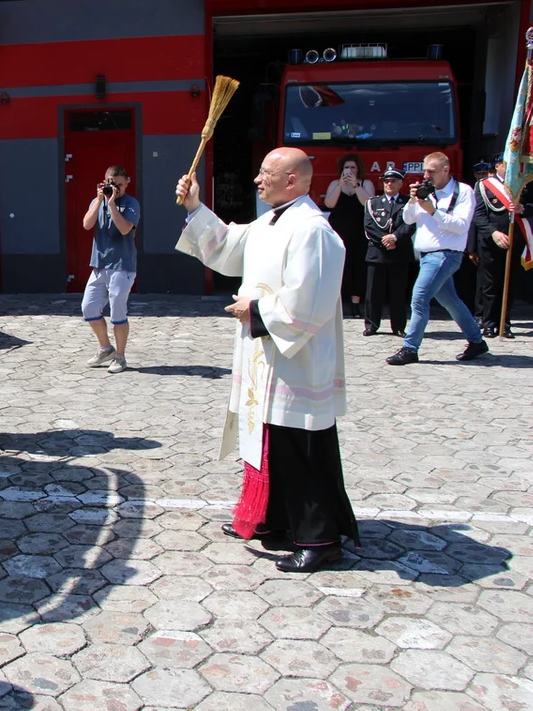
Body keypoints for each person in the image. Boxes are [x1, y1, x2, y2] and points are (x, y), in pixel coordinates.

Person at [175, 147, 358, 573]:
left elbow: (309, 302)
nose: (257, 180)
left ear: (291, 179)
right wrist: (194, 206)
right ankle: (277, 522)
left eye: (264, 173)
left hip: (297, 360)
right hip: (267, 355)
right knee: (271, 442)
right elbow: (225, 247)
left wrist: (254, 311)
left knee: (299, 448)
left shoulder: (312, 229)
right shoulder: (272, 220)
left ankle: (320, 538)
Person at [385, 152, 487, 365]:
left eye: (431, 171)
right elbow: (407, 218)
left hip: (445, 254)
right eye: (424, 170)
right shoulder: (426, 191)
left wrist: (433, 211)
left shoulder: (463, 191)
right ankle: (477, 341)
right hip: (424, 255)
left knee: (419, 298)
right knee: (451, 301)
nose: (426, 175)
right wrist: (414, 200)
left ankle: (410, 348)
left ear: (445, 170)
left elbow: (461, 226)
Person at [81, 165, 141, 373]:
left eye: (119, 184)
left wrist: (112, 203)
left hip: (122, 266)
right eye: (111, 183)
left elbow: (125, 229)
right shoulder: (96, 201)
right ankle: (105, 348)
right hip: (99, 265)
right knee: (88, 308)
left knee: (117, 313)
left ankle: (120, 357)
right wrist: (99, 201)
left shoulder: (131, 203)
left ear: (127, 183)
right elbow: (87, 224)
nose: (115, 188)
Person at [472, 154, 531, 339]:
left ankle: (504, 323)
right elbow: (479, 216)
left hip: (515, 239)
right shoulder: (484, 185)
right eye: (508, 164)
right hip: (492, 241)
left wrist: (523, 209)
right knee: (490, 284)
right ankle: (489, 323)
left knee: (509, 283)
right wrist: (493, 233)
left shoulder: (524, 185)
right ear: (498, 166)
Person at [362, 165, 413, 337]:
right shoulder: (372, 202)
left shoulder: (408, 203)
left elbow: (411, 224)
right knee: (373, 292)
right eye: (386, 181)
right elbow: (369, 226)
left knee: (398, 293)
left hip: (399, 252)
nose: (389, 184)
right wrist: (385, 240)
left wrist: (395, 238)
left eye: (393, 181)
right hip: (377, 252)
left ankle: (398, 326)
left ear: (401, 183)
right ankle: (371, 325)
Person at [324, 154, 375, 318]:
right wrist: (340, 185)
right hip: (339, 229)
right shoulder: (334, 184)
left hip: (359, 230)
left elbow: (368, 203)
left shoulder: (366, 184)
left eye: (353, 167)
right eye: (346, 168)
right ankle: (335, 302)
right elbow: (329, 203)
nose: (349, 171)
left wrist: (356, 186)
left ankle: (356, 305)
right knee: (339, 265)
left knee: (358, 266)